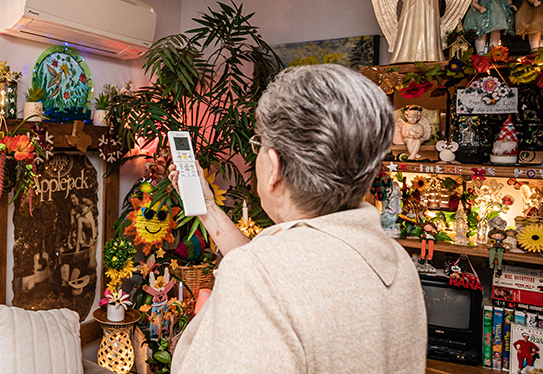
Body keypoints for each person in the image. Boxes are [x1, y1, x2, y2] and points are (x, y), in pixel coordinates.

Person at [169, 64, 426, 373]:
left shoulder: (256, 274)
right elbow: (290, 272)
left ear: (274, 167)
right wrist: (207, 207)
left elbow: (271, 277)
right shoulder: (396, 261)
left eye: (259, 146)